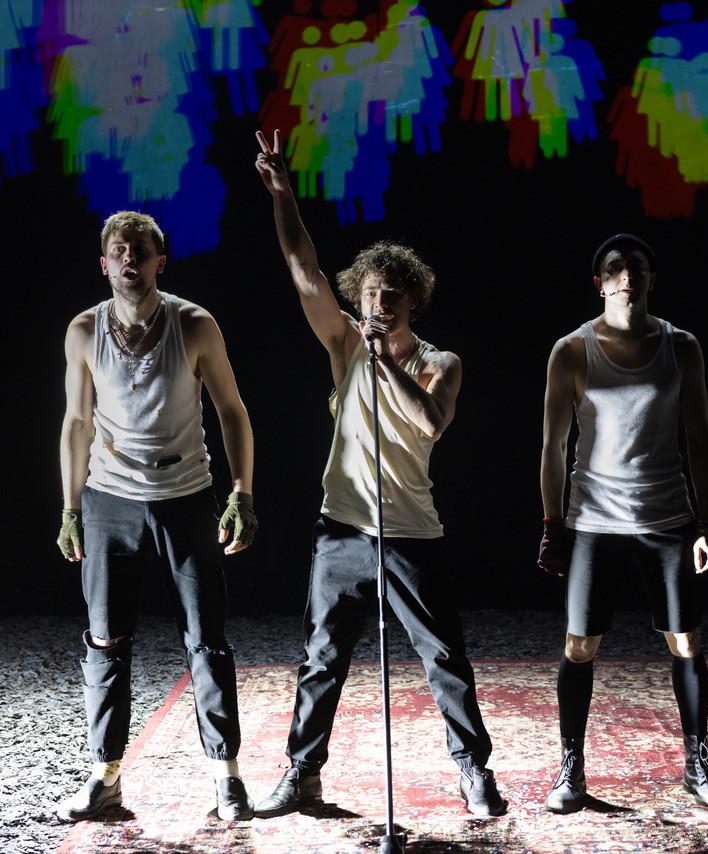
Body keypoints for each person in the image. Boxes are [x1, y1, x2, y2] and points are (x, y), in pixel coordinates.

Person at [251, 129, 506, 818]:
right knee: (322, 656)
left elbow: (429, 422)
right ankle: (303, 773)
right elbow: (303, 267)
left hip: (412, 530)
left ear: (412, 301)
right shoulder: (343, 342)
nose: (378, 304)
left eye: (391, 295)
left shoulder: (438, 362)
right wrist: (282, 195)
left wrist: (384, 360)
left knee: (443, 656)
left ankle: (474, 772)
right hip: (343, 527)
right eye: (369, 293)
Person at [55, 211, 259, 823]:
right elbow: (76, 422)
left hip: (185, 494)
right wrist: (69, 507)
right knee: (105, 638)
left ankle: (227, 777)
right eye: (119, 251)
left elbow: (232, 410)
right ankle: (105, 776)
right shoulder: (84, 330)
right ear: (104, 264)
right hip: (110, 498)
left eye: (140, 250)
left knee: (206, 637)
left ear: (159, 262)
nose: (130, 259)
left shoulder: (193, 324)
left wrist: (242, 493)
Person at [538, 233, 708, 813]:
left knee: (686, 642)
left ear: (651, 279)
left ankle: (697, 762)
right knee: (579, 646)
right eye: (615, 268)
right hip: (595, 520)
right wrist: (552, 525)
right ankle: (571, 768)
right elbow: (553, 447)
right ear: (599, 283)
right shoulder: (571, 350)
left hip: (667, 518)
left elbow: (700, 438)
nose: (626, 276)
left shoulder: (682, 346)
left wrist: (705, 524)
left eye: (637, 267)